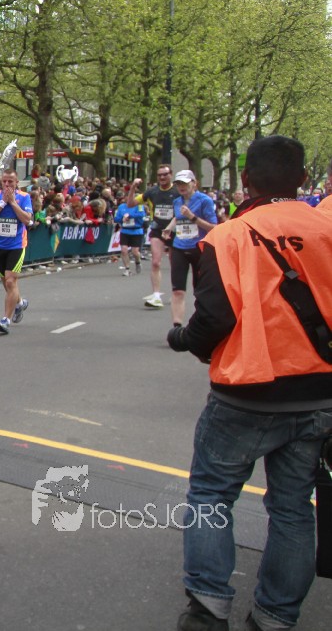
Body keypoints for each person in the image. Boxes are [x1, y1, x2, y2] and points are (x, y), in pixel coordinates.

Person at [167, 136, 332, 631]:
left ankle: (209, 607)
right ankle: (276, 616)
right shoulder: (325, 228)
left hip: (247, 391)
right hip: (319, 391)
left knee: (211, 495)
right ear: (303, 179)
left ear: (245, 180)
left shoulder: (228, 236)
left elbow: (213, 318)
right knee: (293, 508)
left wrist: (184, 340)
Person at [162, 170, 217, 328]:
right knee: (177, 290)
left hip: (199, 249)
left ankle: (202, 325)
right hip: (179, 247)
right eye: (179, 183)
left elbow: (214, 227)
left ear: (194, 183)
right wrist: (169, 228)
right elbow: (178, 217)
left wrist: (193, 217)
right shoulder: (177, 201)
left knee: (200, 291)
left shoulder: (205, 201)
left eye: (185, 183)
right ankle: (177, 327)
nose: (182, 187)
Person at [0, 168, 34, 335]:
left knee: (11, 281)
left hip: (16, 245)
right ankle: (20, 303)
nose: (7, 184)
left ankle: (5, 320)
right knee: (6, 282)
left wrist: (12, 202)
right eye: (4, 181)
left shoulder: (24, 197)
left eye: (10, 181)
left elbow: (27, 219)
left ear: (16, 182)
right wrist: (2, 204)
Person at [131, 166, 178, 309]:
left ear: (171, 175)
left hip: (175, 231)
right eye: (159, 175)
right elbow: (130, 203)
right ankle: (156, 295)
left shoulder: (177, 191)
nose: (162, 177)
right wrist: (132, 188)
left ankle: (176, 291)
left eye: (165, 174)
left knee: (175, 264)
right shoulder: (152, 192)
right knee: (156, 262)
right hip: (157, 230)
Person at [114, 194, 147, 276]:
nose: (129, 199)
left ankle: (138, 262)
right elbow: (116, 218)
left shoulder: (139, 206)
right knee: (124, 250)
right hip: (125, 231)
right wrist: (122, 218)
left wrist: (130, 215)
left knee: (135, 252)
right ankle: (127, 269)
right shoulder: (121, 206)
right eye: (127, 198)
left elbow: (141, 214)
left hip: (136, 231)